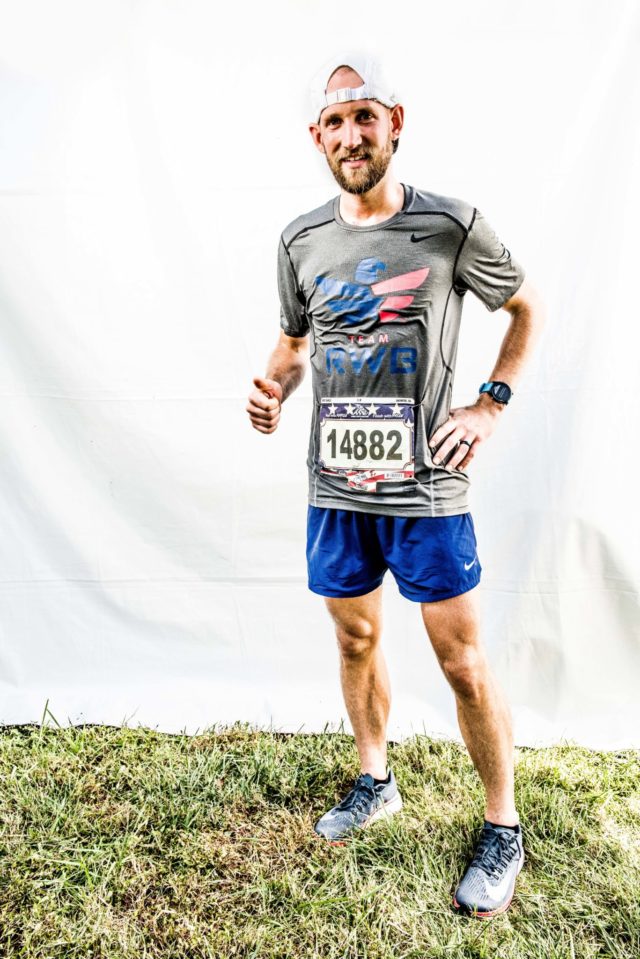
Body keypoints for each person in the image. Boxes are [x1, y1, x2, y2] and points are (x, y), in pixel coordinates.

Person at [246, 53, 545, 918]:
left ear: (395, 123)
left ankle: (503, 824)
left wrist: (491, 403)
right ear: (317, 136)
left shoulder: (452, 224)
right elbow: (294, 345)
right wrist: (272, 388)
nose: (350, 136)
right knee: (353, 642)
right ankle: (376, 778)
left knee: (460, 658)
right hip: (336, 488)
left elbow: (527, 308)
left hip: (427, 490)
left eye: (364, 118)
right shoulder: (301, 240)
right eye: (334, 123)